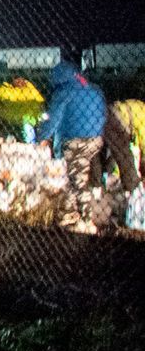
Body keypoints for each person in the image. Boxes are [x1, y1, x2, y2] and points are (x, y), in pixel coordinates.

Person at [37, 61, 107, 234]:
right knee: (74, 175)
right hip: (96, 139)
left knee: (78, 180)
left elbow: (53, 120)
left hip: (75, 141)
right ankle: (68, 213)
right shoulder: (93, 90)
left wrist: (41, 137)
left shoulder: (63, 92)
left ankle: (87, 220)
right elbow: (103, 113)